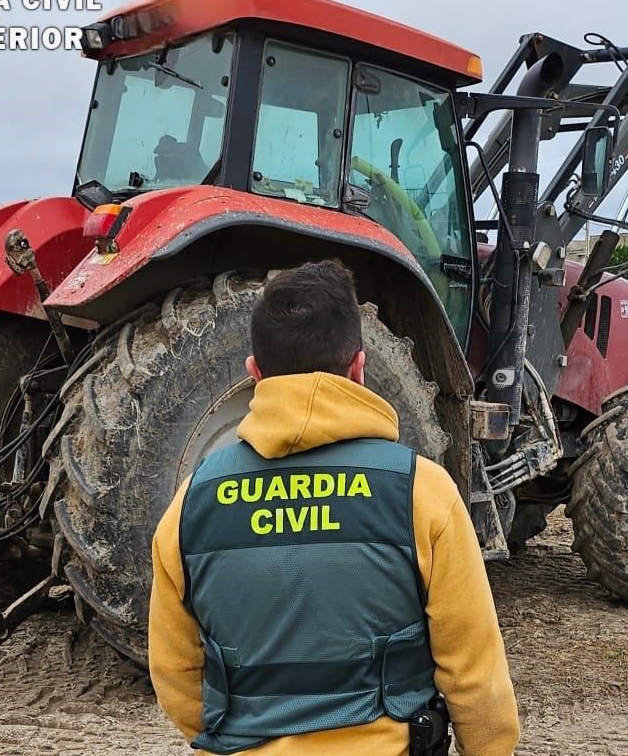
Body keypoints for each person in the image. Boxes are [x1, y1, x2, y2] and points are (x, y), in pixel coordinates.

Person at [148, 259, 521, 756]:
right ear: (359, 368)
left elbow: (176, 675)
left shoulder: (190, 504)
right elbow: (475, 674)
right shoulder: (423, 493)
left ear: (254, 374)